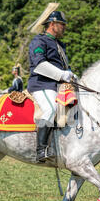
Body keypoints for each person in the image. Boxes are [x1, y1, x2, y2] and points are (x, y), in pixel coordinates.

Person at [27, 10, 75, 162]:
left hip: (57, 86)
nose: (64, 28)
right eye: (62, 25)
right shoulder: (39, 41)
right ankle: (41, 150)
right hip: (41, 84)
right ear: (52, 24)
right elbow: (39, 64)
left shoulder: (59, 44)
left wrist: (70, 74)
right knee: (51, 108)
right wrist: (62, 74)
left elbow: (62, 68)